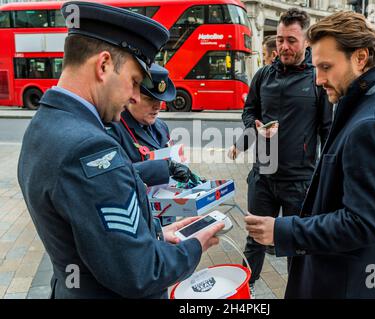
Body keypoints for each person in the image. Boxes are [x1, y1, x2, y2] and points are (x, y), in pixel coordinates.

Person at [17, 1, 223, 299]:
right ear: (103, 65)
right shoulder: (89, 148)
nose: (134, 96)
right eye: (134, 82)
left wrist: (156, 235)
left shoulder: (45, 123)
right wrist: (195, 245)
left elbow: (93, 235)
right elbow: (140, 273)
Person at [245, 11, 375, 299]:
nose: (318, 79)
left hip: (360, 282)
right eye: (316, 67)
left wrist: (284, 230)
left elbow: (362, 224)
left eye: (326, 67)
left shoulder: (371, 124)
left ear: (360, 58)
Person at [228, 8, 332, 296]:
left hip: (299, 181)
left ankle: (299, 291)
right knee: (254, 239)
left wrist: (328, 175)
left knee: (296, 246)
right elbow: (249, 112)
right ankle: (243, 289)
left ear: (306, 42)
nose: (283, 46)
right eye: (279, 40)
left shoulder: (317, 80)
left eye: (291, 40)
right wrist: (254, 127)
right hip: (263, 175)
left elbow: (327, 130)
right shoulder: (263, 75)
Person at [106, 63, 202, 225]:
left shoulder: (160, 126)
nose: (158, 106)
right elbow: (113, 176)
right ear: (132, 96)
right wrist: (166, 167)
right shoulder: (114, 128)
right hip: (137, 218)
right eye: (150, 99)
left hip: (165, 214)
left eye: (161, 99)